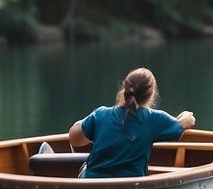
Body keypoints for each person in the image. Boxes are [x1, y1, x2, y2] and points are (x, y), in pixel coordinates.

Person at [68, 67, 196, 178]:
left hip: (94, 183)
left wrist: (83, 123)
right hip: (132, 185)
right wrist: (183, 115)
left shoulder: (100, 114)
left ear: (124, 90)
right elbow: (188, 121)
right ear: (151, 95)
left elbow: (75, 139)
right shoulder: (155, 119)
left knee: (84, 167)